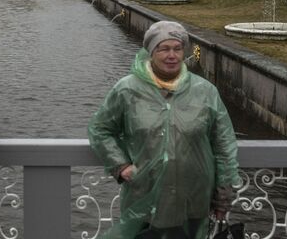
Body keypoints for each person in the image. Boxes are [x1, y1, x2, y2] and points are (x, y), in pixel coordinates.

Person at [88, 21, 241, 239]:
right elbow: (100, 129)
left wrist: (223, 194)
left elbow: (223, 143)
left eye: (177, 48)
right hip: (146, 201)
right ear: (151, 52)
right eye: (164, 49)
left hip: (194, 200)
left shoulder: (205, 91)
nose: (172, 55)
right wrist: (120, 165)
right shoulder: (127, 90)